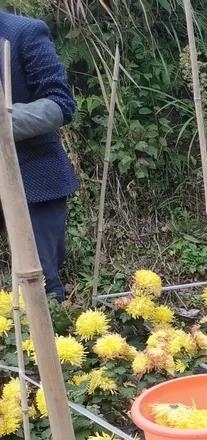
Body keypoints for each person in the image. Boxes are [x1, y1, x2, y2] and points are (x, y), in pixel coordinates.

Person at [0, 9, 78, 300]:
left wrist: (4, 119)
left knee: (43, 283)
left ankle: (52, 342)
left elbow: (61, 105)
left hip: (35, 176)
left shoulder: (25, 32)